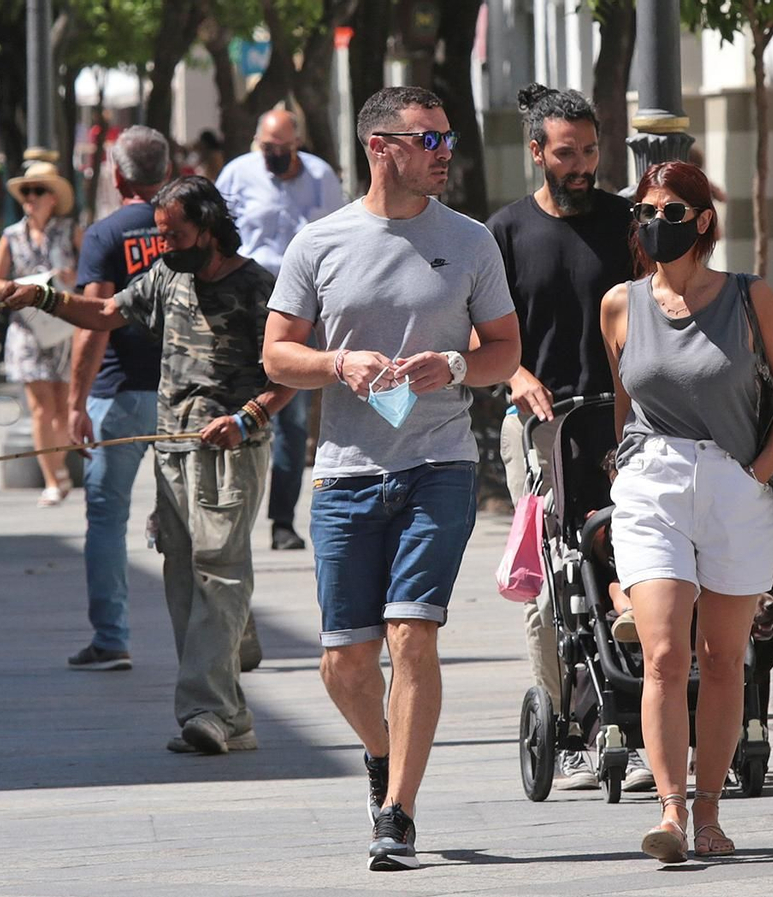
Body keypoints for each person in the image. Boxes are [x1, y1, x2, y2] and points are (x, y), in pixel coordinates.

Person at [263, 86, 520, 871]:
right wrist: (338, 362)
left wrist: (453, 363)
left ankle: (398, 812)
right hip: (345, 472)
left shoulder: (471, 240)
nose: (447, 152)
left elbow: (503, 351)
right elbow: (277, 354)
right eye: (430, 140)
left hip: (439, 463)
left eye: (446, 140)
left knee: (413, 634)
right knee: (344, 663)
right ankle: (384, 755)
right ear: (382, 146)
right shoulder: (320, 243)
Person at [0, 175, 294, 756]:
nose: (164, 245)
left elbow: (289, 370)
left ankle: (207, 710)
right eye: (160, 235)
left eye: (175, 235)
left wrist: (251, 416)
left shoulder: (260, 286)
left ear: (209, 228)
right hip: (172, 447)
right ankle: (230, 691)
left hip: (229, 449)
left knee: (218, 570)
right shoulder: (166, 275)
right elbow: (108, 312)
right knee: (184, 575)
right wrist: (43, 297)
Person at [599, 160, 773, 863]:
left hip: (734, 483)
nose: (657, 224)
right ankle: (669, 810)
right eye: (646, 212)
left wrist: (765, 465)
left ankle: (710, 814)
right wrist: (623, 467)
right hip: (651, 482)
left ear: (703, 222)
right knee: (663, 653)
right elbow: (625, 406)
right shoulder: (620, 304)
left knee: (723, 660)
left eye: (672, 213)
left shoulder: (750, 298)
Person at [485, 83, 650, 793]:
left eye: (590, 150)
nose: (583, 164)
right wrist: (516, 375)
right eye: (567, 153)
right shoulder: (505, 232)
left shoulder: (628, 223)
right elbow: (479, 334)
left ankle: (646, 725)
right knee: (555, 583)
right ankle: (574, 724)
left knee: (639, 569)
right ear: (537, 153)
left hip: (625, 422)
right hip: (541, 428)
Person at [62, 126, 171, 672]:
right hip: (183, 393)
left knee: (106, 520)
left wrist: (75, 401)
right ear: (166, 172)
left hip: (120, 392)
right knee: (191, 518)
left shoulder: (106, 235)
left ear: (117, 173)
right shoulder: (191, 229)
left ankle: (112, 637)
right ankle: (213, 633)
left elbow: (93, 323)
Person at [217, 109, 345, 552]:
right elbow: (218, 234)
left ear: (298, 143)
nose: (273, 157)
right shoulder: (237, 173)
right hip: (247, 300)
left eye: (282, 149)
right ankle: (228, 516)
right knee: (235, 404)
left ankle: (282, 521)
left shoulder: (320, 177)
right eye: (267, 148)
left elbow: (338, 238)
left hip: (300, 304)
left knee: (290, 414)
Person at [0, 161, 80, 508]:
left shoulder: (70, 230)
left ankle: (61, 469)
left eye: (38, 191)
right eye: (27, 192)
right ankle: (53, 479)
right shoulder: (12, 235)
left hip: (64, 325)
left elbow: (91, 275)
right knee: (41, 409)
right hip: (27, 327)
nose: (31, 198)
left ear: (53, 197)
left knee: (63, 404)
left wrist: (71, 275)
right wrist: (20, 287)